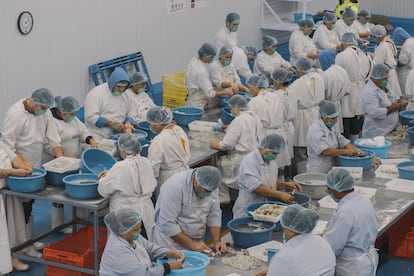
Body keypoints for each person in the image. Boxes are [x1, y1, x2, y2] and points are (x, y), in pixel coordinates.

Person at [1, 88, 62, 258]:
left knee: (30, 204)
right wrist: (20, 166)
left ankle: (28, 239)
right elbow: (7, 144)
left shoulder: (43, 111)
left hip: (35, 164)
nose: (43, 111)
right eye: (41, 107)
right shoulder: (15, 115)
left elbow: (52, 135)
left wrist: (61, 158)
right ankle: (21, 246)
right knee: (19, 209)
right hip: (18, 167)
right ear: (32, 102)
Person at [47, 96, 97, 233]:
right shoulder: (52, 123)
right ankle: (57, 225)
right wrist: (65, 157)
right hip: (58, 161)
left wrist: (91, 141)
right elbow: (52, 145)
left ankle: (79, 220)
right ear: (61, 112)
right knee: (58, 194)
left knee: (75, 188)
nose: (74, 116)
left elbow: (83, 132)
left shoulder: (73, 119)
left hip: (74, 160)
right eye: (71, 114)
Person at [150, 166, 228, 254]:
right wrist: (191, 244)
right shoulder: (174, 187)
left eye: (210, 191)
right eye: (206, 191)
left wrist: (217, 241)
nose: (208, 194)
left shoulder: (211, 184)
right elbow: (167, 223)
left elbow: (214, 214)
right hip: (170, 242)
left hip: (196, 241)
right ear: (196, 182)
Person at [98, 133, 157, 239]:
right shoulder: (146, 162)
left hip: (126, 212)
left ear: (123, 150)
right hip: (146, 210)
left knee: (124, 246)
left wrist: (103, 178)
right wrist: (111, 173)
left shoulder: (120, 166)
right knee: (146, 243)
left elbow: (103, 190)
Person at [324, 168, 379, 275]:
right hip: (367, 260)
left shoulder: (345, 211)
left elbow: (333, 246)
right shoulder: (364, 200)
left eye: (329, 190)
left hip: (352, 267)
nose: (329, 193)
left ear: (338, 190)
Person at [210, 95, 264, 203]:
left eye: (232, 108)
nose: (231, 111)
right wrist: (228, 127)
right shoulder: (253, 116)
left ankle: (223, 196)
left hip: (239, 159)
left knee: (217, 166)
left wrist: (216, 144)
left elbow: (228, 144)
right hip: (254, 155)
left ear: (236, 108)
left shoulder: (238, 120)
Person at [232, 134, 302, 218]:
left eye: (277, 154)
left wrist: (285, 185)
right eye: (274, 153)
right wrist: (280, 194)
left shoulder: (271, 162)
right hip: (248, 208)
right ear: (264, 149)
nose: (275, 156)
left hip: (265, 208)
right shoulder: (250, 162)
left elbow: (270, 183)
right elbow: (257, 188)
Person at [100, 208, 185, 276]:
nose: (139, 231)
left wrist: (171, 253)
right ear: (123, 230)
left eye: (139, 228)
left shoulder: (131, 237)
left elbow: (150, 248)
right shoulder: (118, 250)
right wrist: (168, 267)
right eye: (136, 230)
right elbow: (143, 274)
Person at [255, 204, 336, 276]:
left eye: (284, 229)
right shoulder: (323, 243)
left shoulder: (283, 258)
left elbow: (289, 264)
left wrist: (276, 270)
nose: (284, 233)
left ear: (291, 231)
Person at [0, 141, 33, 272]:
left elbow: (12, 155)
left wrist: (24, 166)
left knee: (10, 229)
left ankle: (11, 257)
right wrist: (13, 172)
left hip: (6, 191)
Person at [248, 74, 290, 174]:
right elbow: (284, 114)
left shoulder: (254, 102)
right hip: (279, 133)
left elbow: (251, 123)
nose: (249, 91)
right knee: (279, 169)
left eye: (250, 88)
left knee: (266, 169)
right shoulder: (276, 96)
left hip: (264, 136)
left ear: (255, 87)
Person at [290, 57, 325, 174]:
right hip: (317, 113)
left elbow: (291, 103)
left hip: (302, 117)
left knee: (302, 151)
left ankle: (303, 177)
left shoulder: (297, 84)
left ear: (299, 69)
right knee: (315, 146)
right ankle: (317, 173)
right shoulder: (319, 77)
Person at [306, 100, 362, 173]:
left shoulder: (332, 126)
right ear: (324, 117)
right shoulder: (315, 130)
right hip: (318, 169)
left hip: (331, 167)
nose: (336, 121)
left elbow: (340, 139)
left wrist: (351, 147)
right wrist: (346, 151)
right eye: (333, 118)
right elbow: (325, 151)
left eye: (336, 117)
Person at [146, 106, 190, 197]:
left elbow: (154, 168)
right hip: (185, 173)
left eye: (151, 124)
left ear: (157, 124)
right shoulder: (178, 129)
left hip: (169, 179)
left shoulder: (159, 140)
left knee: (168, 208)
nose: (151, 127)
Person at [335, 32, 372, 140]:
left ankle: (348, 140)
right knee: (358, 115)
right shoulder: (364, 55)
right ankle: (358, 138)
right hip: (361, 87)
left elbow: (338, 75)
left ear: (343, 43)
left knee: (347, 116)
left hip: (347, 88)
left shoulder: (341, 55)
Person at [84, 67, 134, 142]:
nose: (121, 90)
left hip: (118, 134)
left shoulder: (126, 95)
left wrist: (128, 122)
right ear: (112, 83)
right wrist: (110, 124)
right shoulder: (96, 94)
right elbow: (90, 116)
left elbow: (131, 111)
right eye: (118, 87)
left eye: (123, 87)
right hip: (98, 136)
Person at [361, 64, 408, 138]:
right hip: (377, 133)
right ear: (376, 78)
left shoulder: (384, 85)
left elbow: (394, 97)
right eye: (384, 79)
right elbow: (374, 112)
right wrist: (392, 108)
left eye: (387, 78)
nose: (386, 81)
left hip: (390, 130)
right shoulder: (369, 92)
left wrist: (400, 102)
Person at [185, 43, 233, 109]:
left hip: (193, 98)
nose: (212, 59)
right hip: (197, 104)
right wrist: (225, 92)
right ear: (206, 56)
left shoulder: (194, 61)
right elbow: (210, 93)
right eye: (212, 57)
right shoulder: (201, 71)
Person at [271, 68, 297, 180]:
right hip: (290, 126)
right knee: (288, 157)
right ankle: (288, 179)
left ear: (277, 82)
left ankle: (282, 180)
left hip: (281, 128)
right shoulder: (292, 91)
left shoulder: (276, 96)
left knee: (280, 158)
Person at [318, 49, 351, 132]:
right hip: (338, 103)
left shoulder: (325, 75)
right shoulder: (341, 70)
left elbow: (321, 94)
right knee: (337, 130)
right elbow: (348, 89)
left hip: (327, 108)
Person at [372, 24, 402, 97]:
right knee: (393, 98)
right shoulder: (389, 43)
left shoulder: (381, 47)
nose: (373, 38)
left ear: (379, 36)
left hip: (386, 76)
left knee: (388, 100)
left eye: (374, 36)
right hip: (391, 73)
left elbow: (376, 64)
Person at [395, 27, 414, 95]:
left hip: (406, 72)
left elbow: (403, 61)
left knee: (406, 93)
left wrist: (396, 62)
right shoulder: (412, 40)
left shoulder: (407, 43)